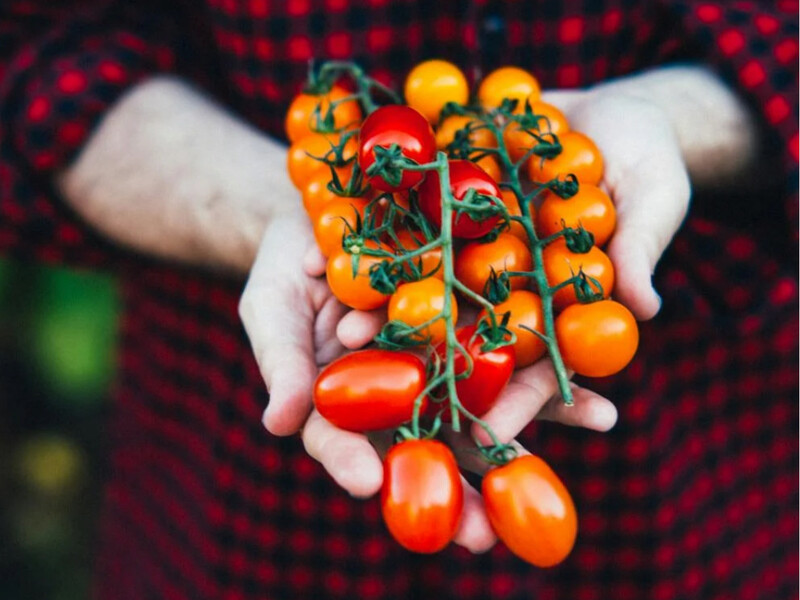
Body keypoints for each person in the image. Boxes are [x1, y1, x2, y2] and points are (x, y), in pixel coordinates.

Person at [1, 1, 796, 598]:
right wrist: (273, 208)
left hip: (699, 482)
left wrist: (675, 121)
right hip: (233, 492)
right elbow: (39, 54)